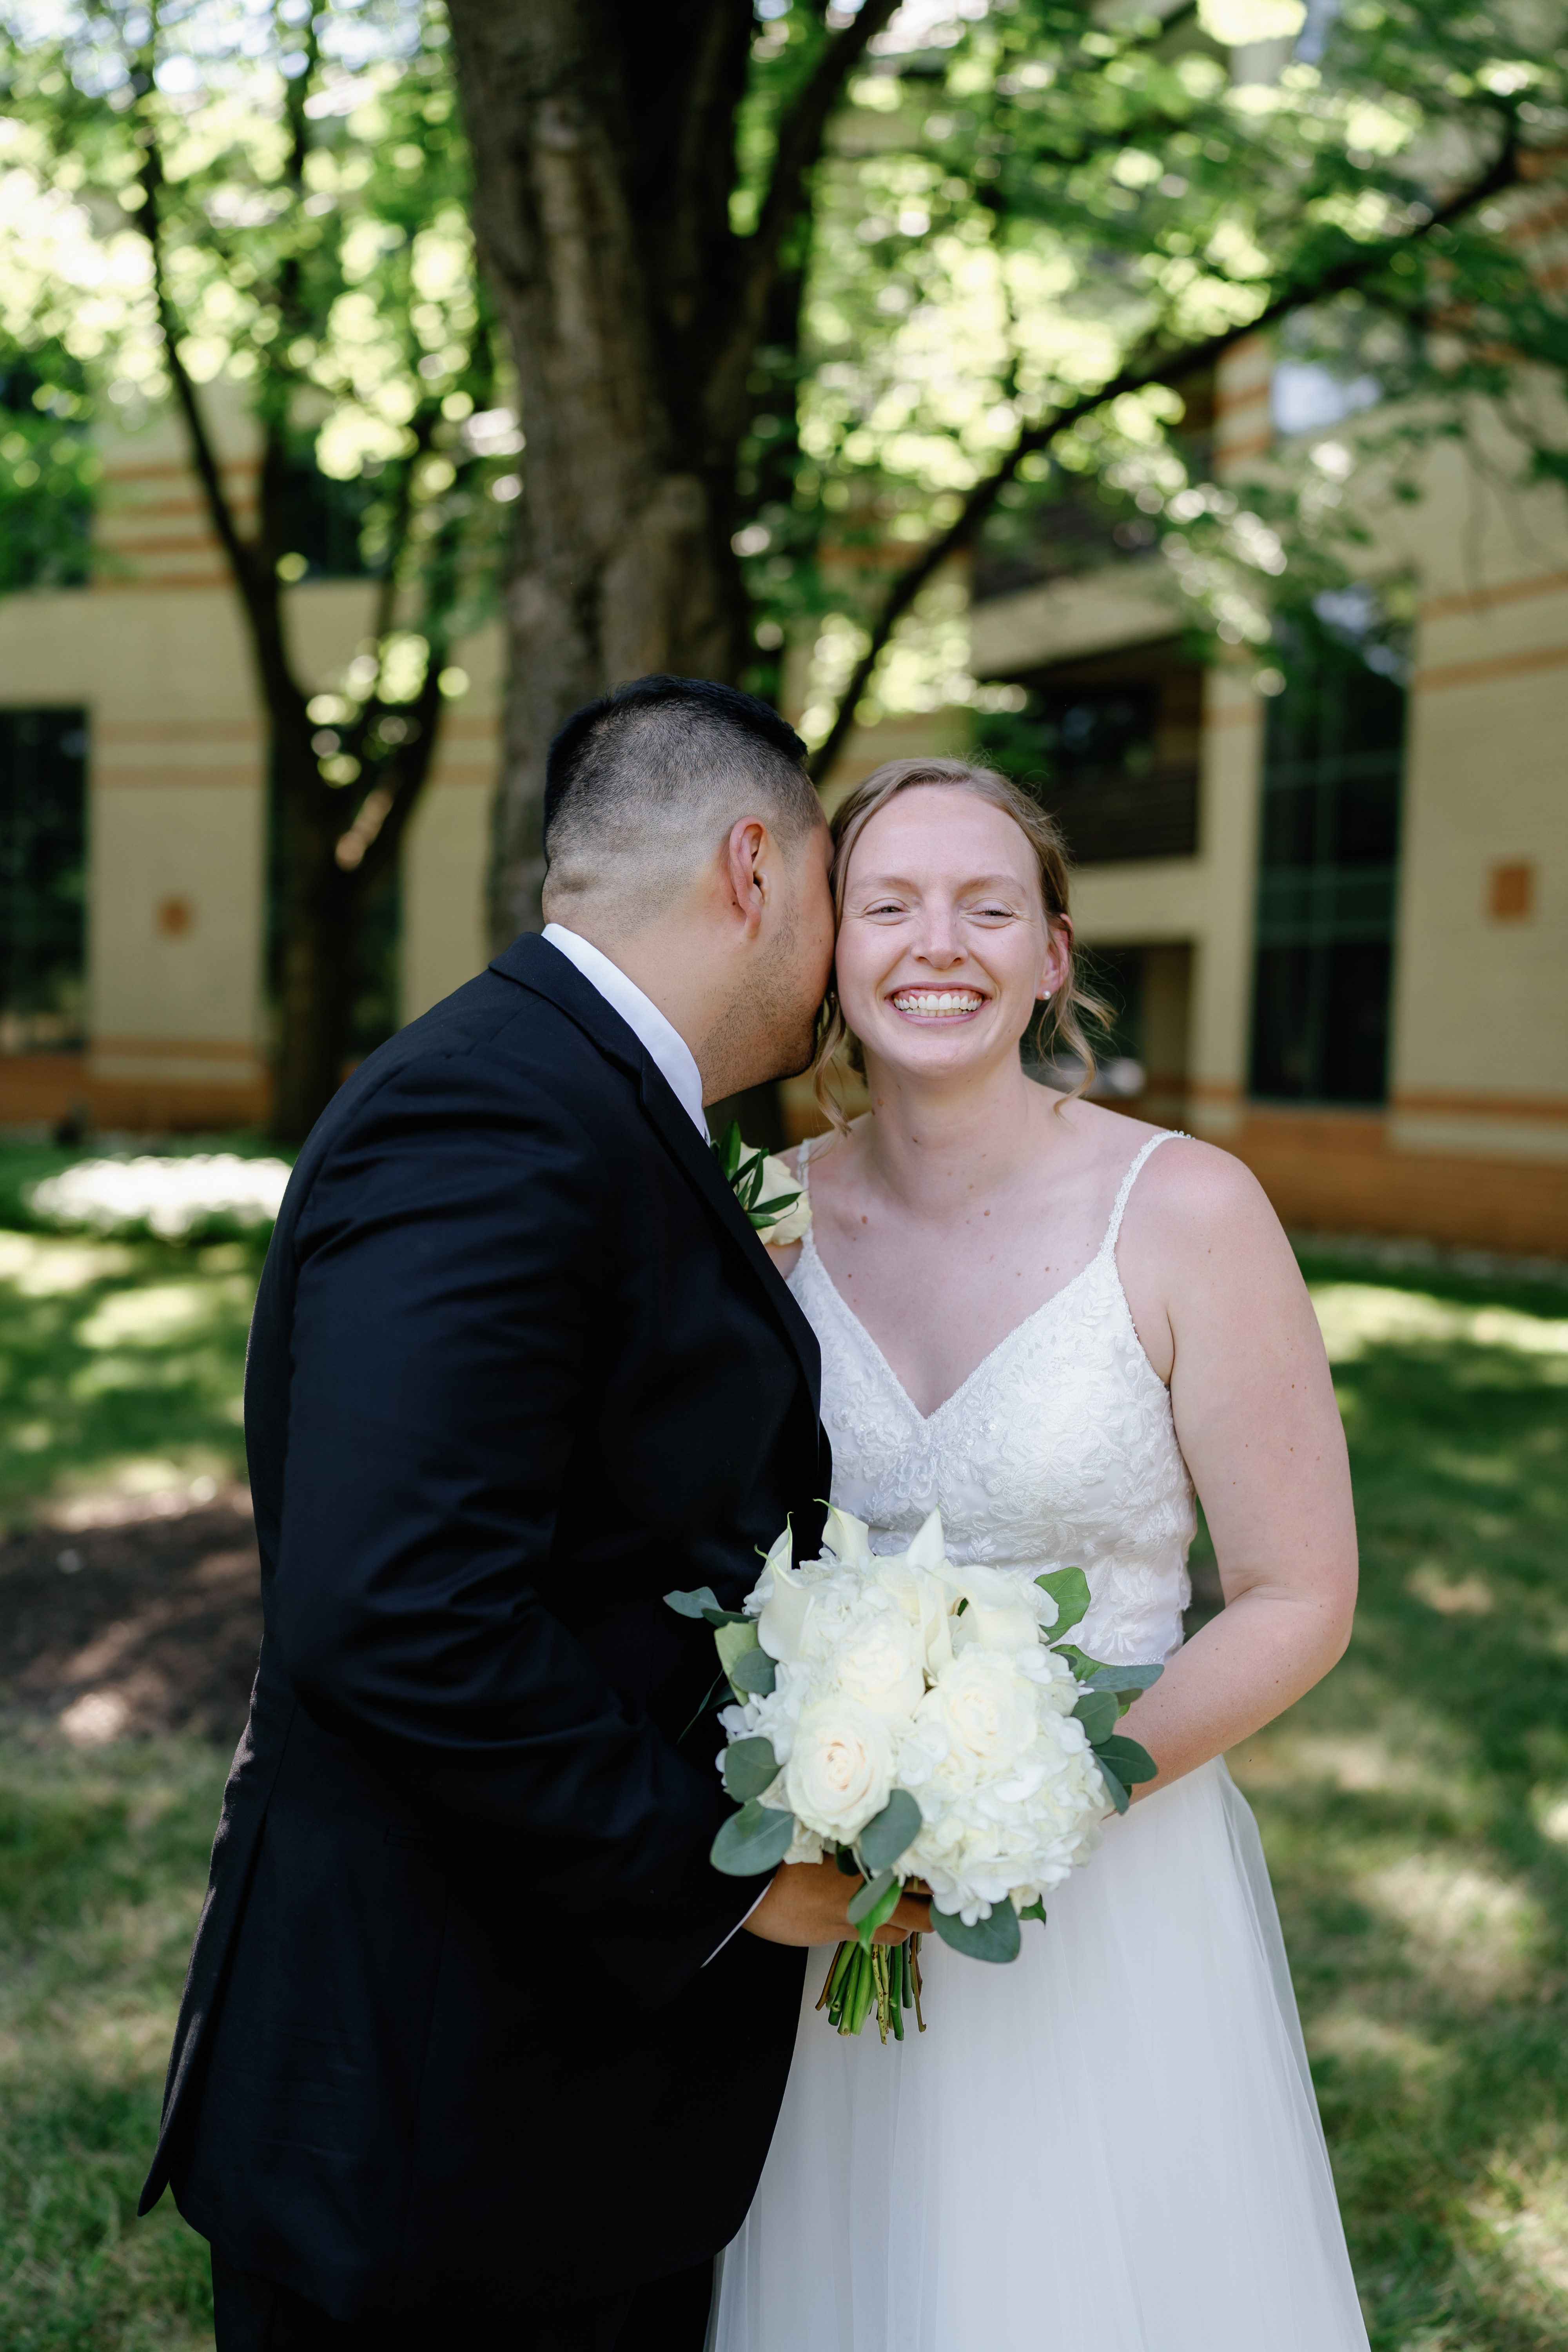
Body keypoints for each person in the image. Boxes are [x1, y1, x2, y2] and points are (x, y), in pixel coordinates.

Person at [137, 677, 924, 2352]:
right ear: (755, 870)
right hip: (439, 2115)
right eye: (844, 884)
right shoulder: (493, 1117)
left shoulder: (591, 1103)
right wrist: (724, 1877)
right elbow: (398, 1609)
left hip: (541, 2092)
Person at [715, 756, 1370, 2352]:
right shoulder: (756, 1222)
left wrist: (1051, 1789)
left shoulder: (1191, 1213)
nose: (938, 943)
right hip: (837, 1883)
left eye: (987, 906)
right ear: (827, 953)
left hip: (1117, 1889)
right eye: (890, 905)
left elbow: (1298, 1595)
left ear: (1052, 956)